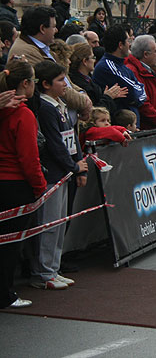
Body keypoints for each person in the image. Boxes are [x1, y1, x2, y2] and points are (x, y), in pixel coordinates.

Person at [32, 60, 88, 290]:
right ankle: (42, 272)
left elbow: (71, 138)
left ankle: (53, 268)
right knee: (49, 224)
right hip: (53, 175)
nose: (65, 84)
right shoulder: (45, 109)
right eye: (59, 80)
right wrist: (73, 166)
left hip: (65, 172)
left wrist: (78, 162)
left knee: (59, 222)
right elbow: (55, 144)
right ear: (45, 84)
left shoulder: (60, 105)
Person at [0, 58, 47, 308]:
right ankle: (5, 294)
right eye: (35, 82)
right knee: (10, 244)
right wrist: (39, 187)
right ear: (26, 84)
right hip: (16, 185)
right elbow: (29, 157)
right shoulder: (22, 114)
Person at [92, 25, 147, 128]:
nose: (130, 45)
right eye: (128, 41)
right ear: (120, 45)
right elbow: (135, 93)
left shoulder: (123, 67)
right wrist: (136, 97)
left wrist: (137, 95)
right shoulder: (107, 67)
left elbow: (142, 92)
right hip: (120, 129)